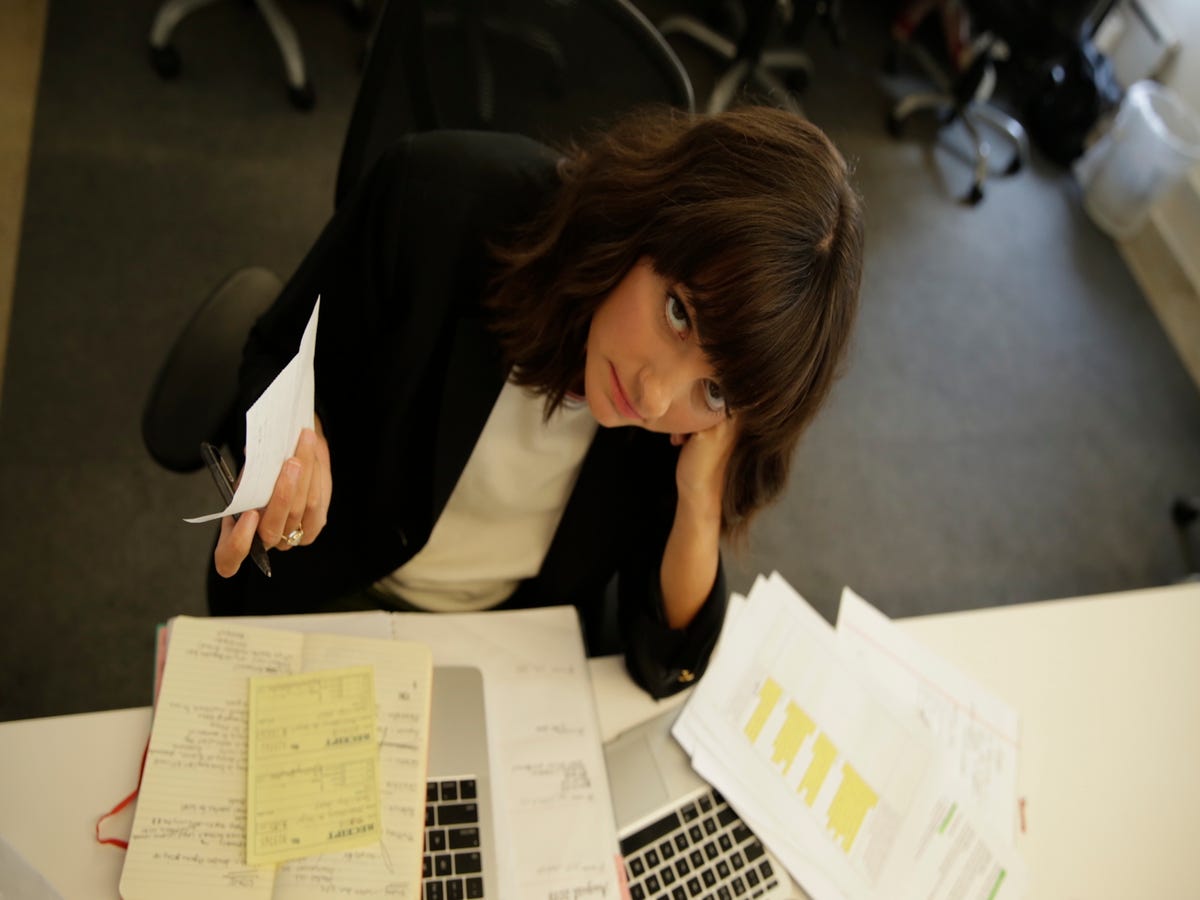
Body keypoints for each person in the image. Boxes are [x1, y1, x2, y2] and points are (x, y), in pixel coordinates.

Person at [208, 104, 864, 699]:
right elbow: (273, 351)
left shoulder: (682, 432)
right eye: (678, 314)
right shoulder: (440, 196)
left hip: (509, 649)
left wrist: (698, 503)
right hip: (333, 592)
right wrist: (294, 443)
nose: (655, 394)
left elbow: (662, 663)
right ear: (647, 221)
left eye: (715, 388)